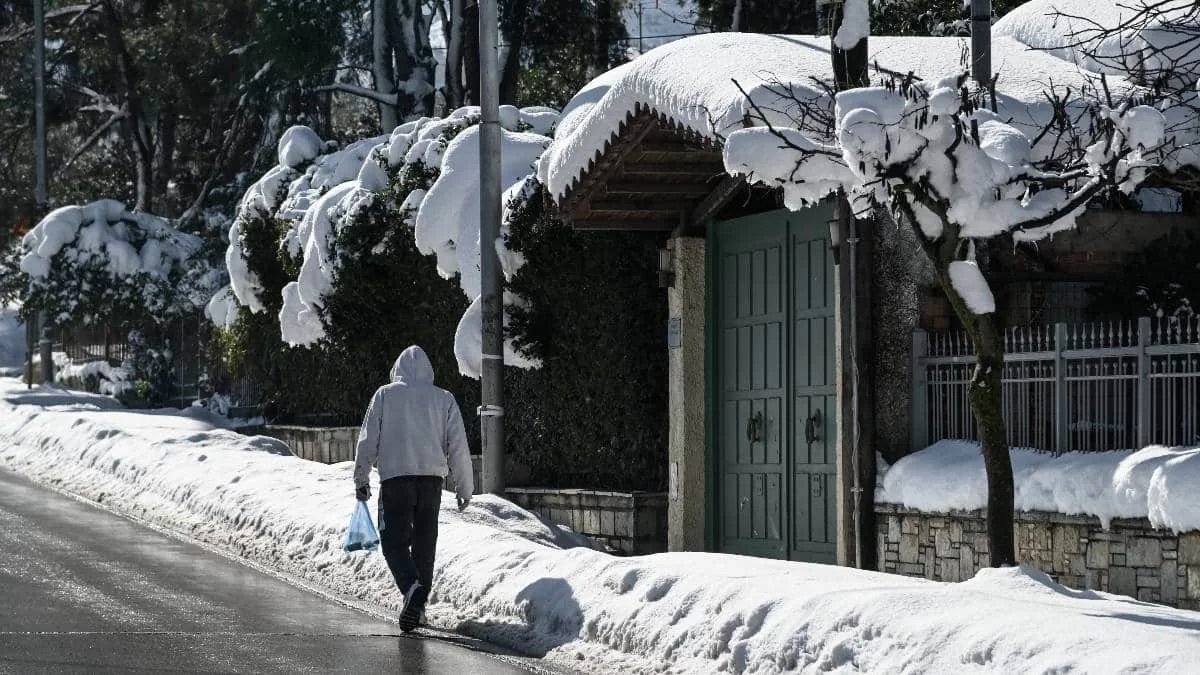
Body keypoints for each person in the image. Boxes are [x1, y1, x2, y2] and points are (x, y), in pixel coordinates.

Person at [353, 345, 474, 632]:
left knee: (393, 541)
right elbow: (458, 445)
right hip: (432, 483)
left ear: (397, 370)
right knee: (424, 544)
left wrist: (361, 478)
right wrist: (464, 487)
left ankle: (411, 588)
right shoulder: (444, 399)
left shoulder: (385, 395)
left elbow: (368, 438)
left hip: (396, 480)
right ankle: (418, 608)